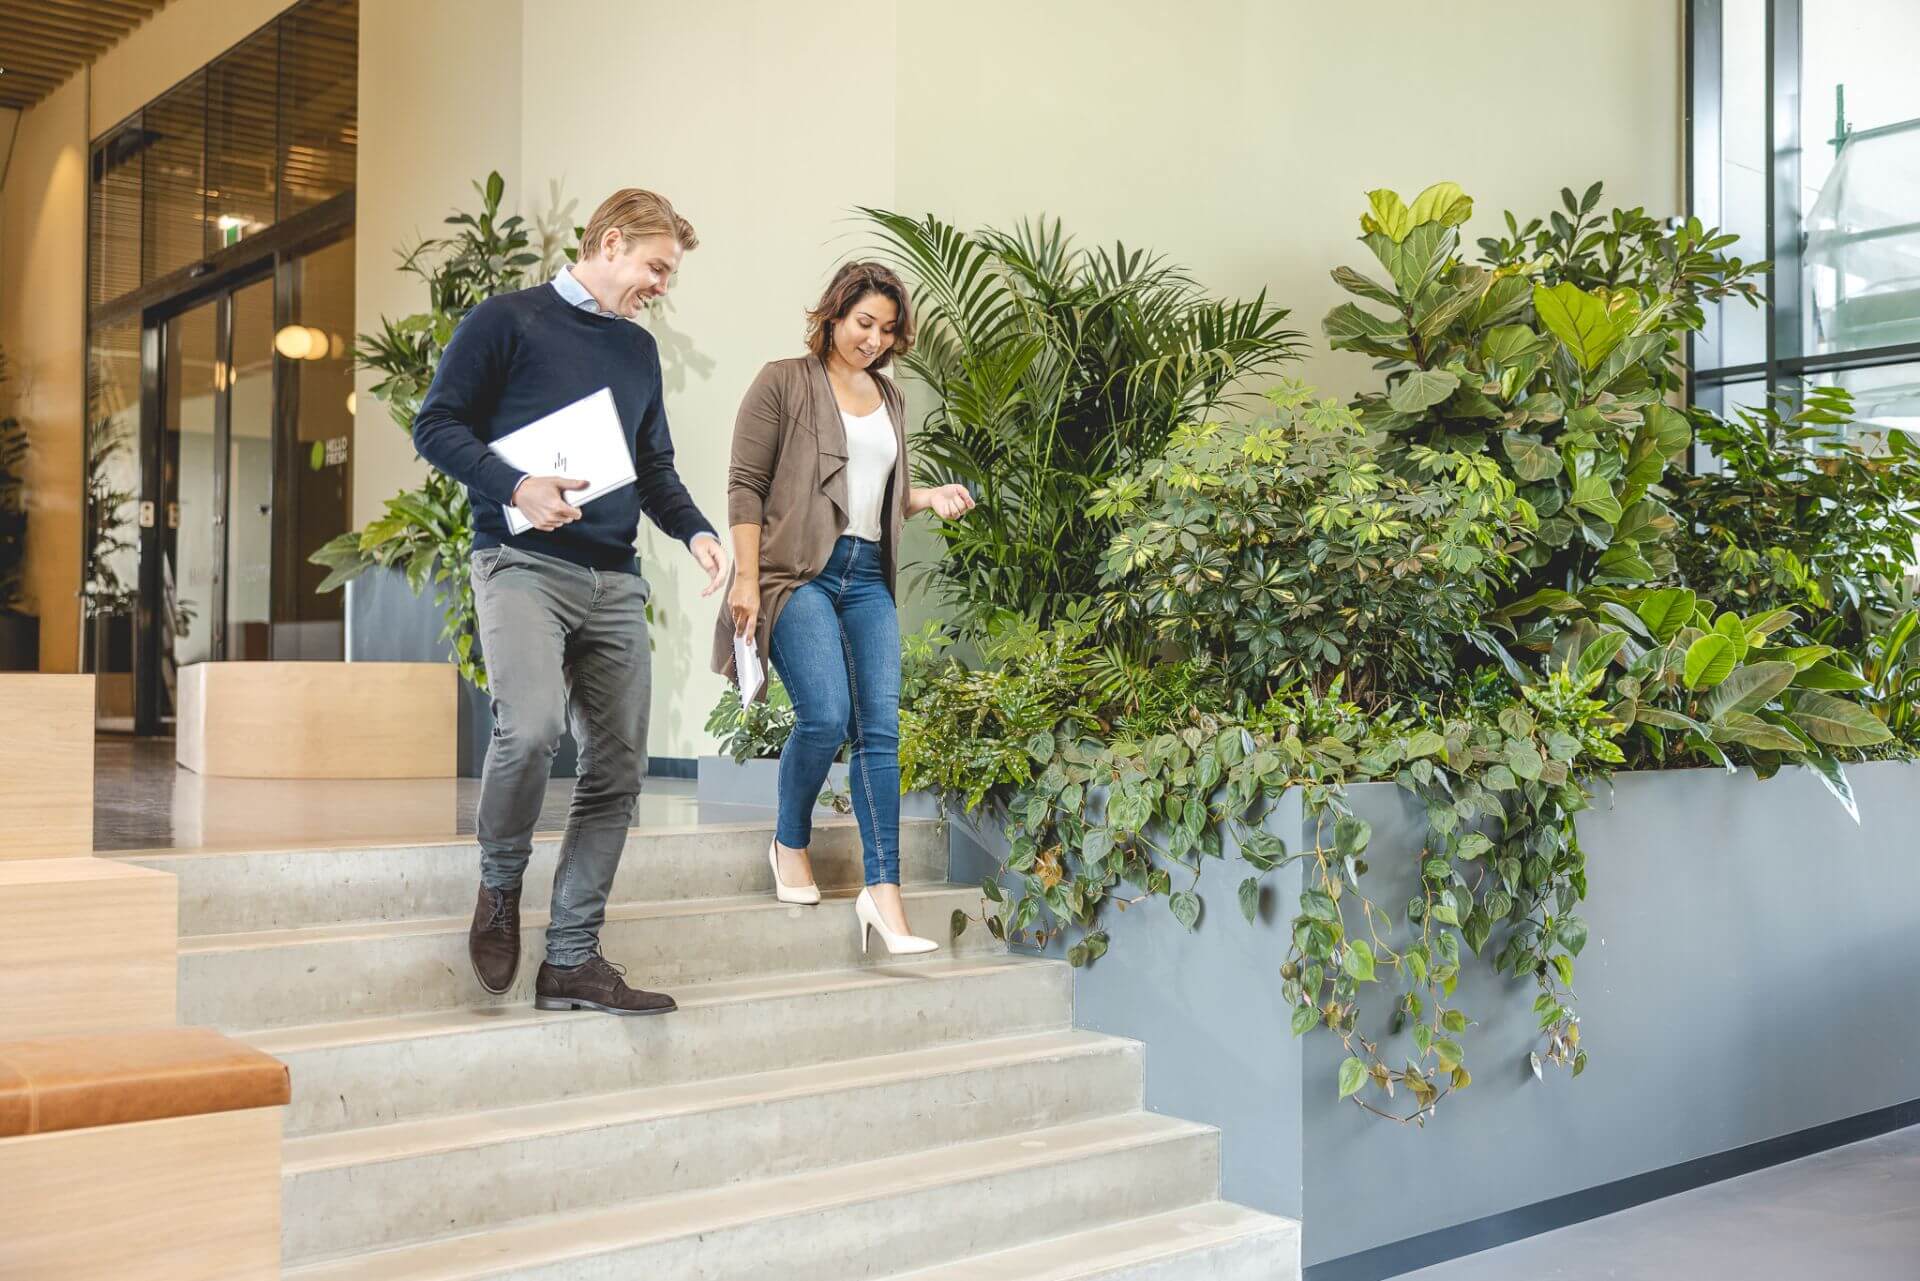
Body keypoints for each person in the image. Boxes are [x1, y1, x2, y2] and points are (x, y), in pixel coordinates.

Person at [413, 187, 728, 1016]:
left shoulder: (635, 351)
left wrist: (694, 531)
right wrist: (516, 482)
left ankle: (571, 958)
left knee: (619, 766)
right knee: (532, 728)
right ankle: (499, 884)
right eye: (656, 267)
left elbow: (653, 467)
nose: (660, 286)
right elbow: (436, 426)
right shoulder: (505, 321)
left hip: (614, 578)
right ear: (612, 242)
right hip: (520, 562)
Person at [714, 261, 974, 954]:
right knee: (826, 714)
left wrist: (925, 497)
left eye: (888, 330)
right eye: (864, 323)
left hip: (866, 576)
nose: (874, 339)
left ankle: (884, 892)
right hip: (795, 572)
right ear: (832, 313)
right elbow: (746, 486)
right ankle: (788, 840)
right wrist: (745, 578)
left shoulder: (890, 398)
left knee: (880, 729)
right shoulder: (782, 382)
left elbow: (873, 490)